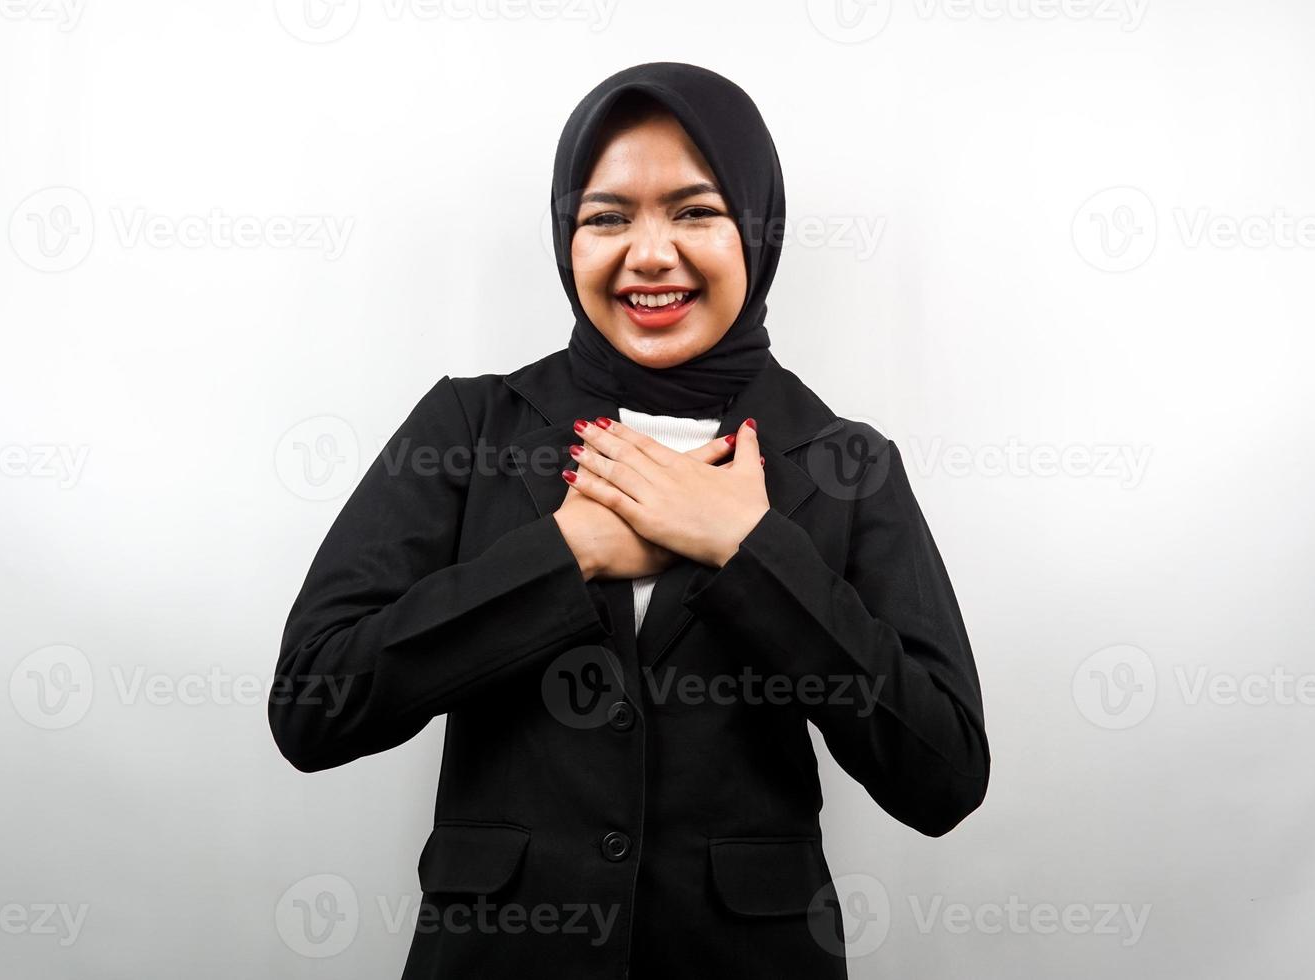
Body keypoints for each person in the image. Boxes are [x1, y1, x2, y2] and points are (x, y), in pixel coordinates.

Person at [270, 61, 990, 980]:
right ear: (568, 239)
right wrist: (564, 555)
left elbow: (945, 771)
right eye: (607, 217)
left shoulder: (843, 463)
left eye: (695, 211)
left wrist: (750, 552)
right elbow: (311, 705)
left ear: (757, 231)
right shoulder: (468, 427)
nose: (649, 254)